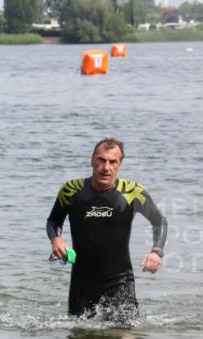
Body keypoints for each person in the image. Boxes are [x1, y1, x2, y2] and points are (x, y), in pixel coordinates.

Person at [46, 138, 167, 322]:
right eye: (101, 160)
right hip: (82, 282)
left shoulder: (132, 192)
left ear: (120, 164)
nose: (106, 167)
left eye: (113, 162)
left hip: (120, 281)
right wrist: (56, 239)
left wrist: (156, 252)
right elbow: (54, 220)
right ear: (92, 161)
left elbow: (159, 221)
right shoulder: (71, 190)